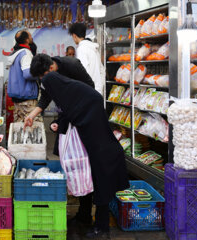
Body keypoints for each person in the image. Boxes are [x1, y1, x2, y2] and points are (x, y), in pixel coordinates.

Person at [25, 70, 129, 238]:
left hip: (102, 153)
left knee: (100, 184)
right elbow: (67, 116)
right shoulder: (73, 95)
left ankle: (102, 228)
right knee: (85, 178)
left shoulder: (88, 101)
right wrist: (56, 123)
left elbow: (74, 115)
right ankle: (84, 216)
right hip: (90, 150)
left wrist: (60, 123)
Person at [27, 53, 94, 156]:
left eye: (43, 76)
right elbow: (45, 97)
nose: (42, 80)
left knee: (82, 150)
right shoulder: (44, 76)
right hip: (65, 112)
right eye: (39, 78)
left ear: (51, 67)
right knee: (64, 150)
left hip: (83, 110)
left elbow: (90, 87)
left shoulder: (72, 65)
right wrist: (31, 115)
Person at [7, 29, 41, 122]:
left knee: (20, 127)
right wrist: (40, 75)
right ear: (26, 40)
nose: (32, 38)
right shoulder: (25, 53)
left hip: (18, 100)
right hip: (27, 100)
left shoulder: (16, 54)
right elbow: (27, 74)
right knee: (34, 127)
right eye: (30, 36)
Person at [69, 23, 105, 96]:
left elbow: (83, 72)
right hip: (98, 89)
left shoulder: (81, 49)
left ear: (74, 36)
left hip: (89, 91)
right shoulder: (93, 48)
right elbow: (102, 69)